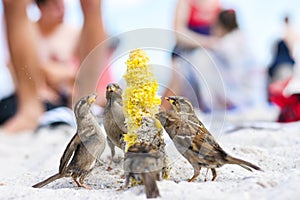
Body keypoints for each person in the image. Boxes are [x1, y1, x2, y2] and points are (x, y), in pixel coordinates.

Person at [0, 0, 106, 133]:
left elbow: (78, 74)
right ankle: (30, 110)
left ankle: (86, 106)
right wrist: (47, 77)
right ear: (40, 7)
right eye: (55, 6)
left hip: (62, 96)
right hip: (36, 95)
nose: (61, 10)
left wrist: (60, 75)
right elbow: (12, 66)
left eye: (62, 5)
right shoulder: (29, 30)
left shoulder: (70, 33)